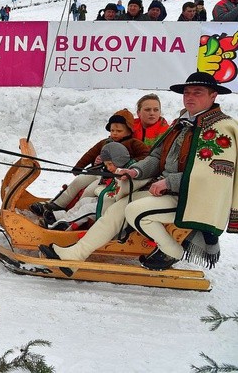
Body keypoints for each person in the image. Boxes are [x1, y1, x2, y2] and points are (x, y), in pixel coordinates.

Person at [40, 72, 238, 273]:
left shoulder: (221, 128)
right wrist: (135, 171)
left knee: (134, 210)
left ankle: (172, 250)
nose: (190, 97)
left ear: (213, 96)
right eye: (187, 92)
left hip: (190, 198)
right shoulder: (182, 122)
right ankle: (74, 256)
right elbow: (155, 157)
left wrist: (168, 183)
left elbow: (211, 176)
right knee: (114, 210)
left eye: (198, 92)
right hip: (164, 191)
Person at [30, 109, 150, 219]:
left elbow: (146, 155)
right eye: (112, 130)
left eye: (119, 131)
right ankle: (55, 204)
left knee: (88, 191)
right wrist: (79, 166)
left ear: (129, 130)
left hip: (110, 178)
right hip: (98, 171)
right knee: (77, 182)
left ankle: (70, 214)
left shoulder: (134, 143)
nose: (114, 133)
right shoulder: (105, 142)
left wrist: (129, 163)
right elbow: (91, 154)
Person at [45, 142, 146, 231]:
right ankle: (62, 218)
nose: (108, 168)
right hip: (106, 200)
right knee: (84, 201)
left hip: (113, 206)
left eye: (110, 164)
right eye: (106, 165)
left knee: (87, 209)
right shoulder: (118, 171)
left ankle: (64, 225)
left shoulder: (127, 172)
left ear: (118, 160)